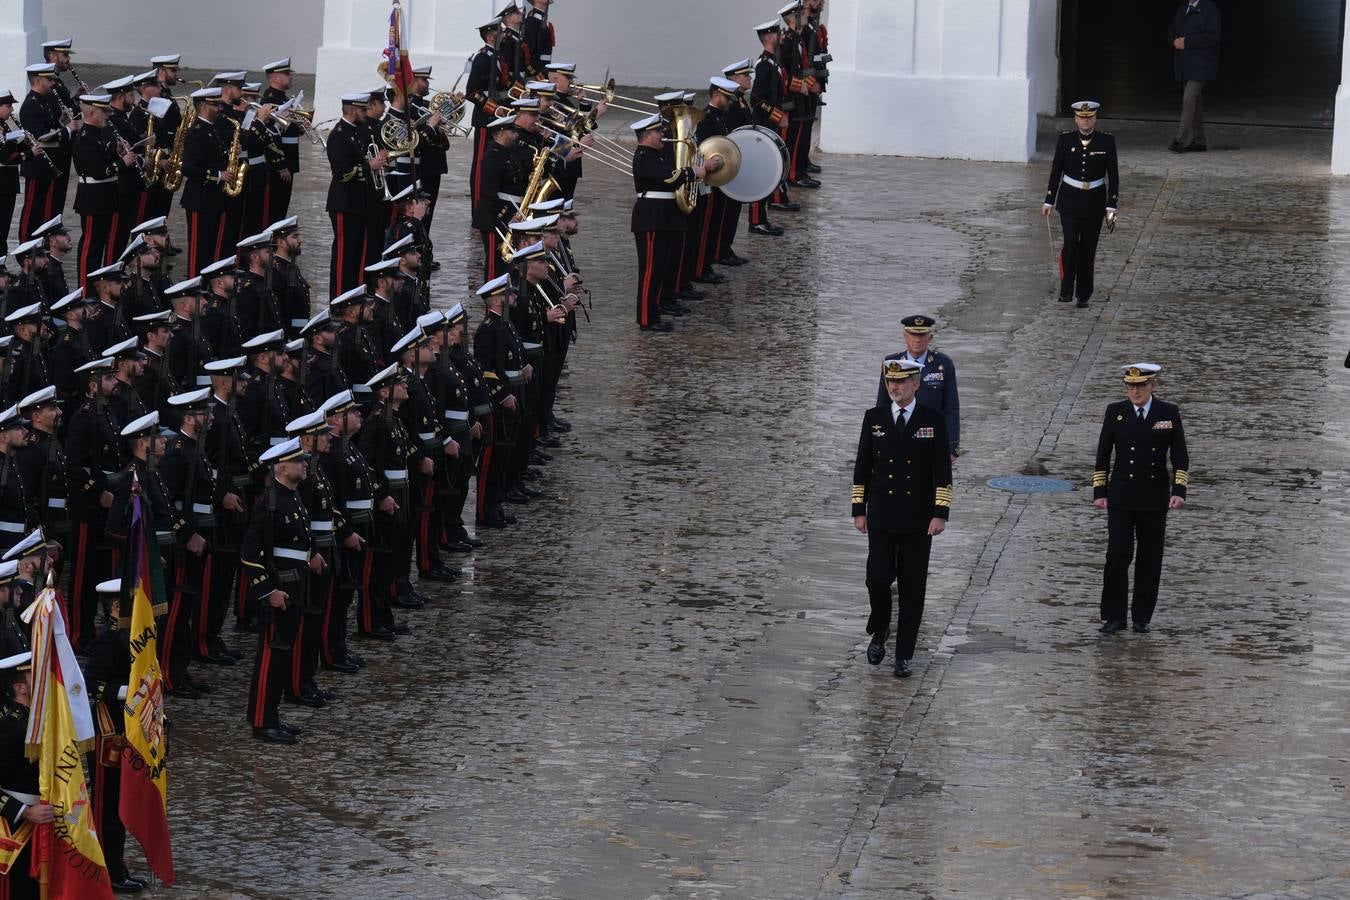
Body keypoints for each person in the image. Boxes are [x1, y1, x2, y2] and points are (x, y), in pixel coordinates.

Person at [851, 359, 952, 678]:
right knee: (877, 577)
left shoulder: (932, 419)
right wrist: (858, 508)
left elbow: (942, 472)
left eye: (901, 382)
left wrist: (940, 513)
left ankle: (903, 654)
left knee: (912, 587)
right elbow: (862, 465)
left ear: (916, 385)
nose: (894, 387)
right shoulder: (874, 418)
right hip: (881, 513)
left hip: (917, 517)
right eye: (890, 382)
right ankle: (879, 627)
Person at [1092, 363, 1189, 634]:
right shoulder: (1116, 412)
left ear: (1153, 386)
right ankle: (1113, 616)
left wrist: (1178, 490)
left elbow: (1180, 455)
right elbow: (1103, 454)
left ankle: (1142, 616)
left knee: (1150, 557)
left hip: (1154, 497)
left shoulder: (1167, 412)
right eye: (1130, 386)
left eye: (1141, 386)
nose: (1135, 391)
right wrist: (1100, 492)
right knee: (1118, 554)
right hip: (1121, 495)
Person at [240, 437, 315, 744]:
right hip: (280, 588)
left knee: (282, 655)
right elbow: (249, 553)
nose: (305, 465)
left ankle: (272, 715)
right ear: (283, 467)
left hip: (296, 583)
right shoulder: (270, 502)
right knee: (272, 656)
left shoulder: (291, 496)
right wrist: (267, 590)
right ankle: (262, 720)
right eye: (299, 461)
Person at [630, 114, 705, 332]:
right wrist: (693, 172)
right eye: (657, 131)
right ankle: (646, 318)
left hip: (666, 216)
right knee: (650, 271)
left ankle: (656, 310)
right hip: (652, 217)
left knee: (662, 269)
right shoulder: (644, 155)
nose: (662, 134)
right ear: (646, 135)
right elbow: (669, 177)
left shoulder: (658, 154)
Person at [1042, 100, 1118, 308]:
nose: (1086, 121)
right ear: (1076, 119)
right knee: (1071, 243)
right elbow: (1056, 170)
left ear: (1095, 118)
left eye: (1090, 117)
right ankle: (1066, 290)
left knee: (1088, 249)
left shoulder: (1106, 141)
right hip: (1069, 201)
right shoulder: (1065, 140)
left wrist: (1112, 206)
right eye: (1082, 118)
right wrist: (1049, 199)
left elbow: (1113, 175)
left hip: (1094, 202)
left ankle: (1083, 294)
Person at [876, 315, 961, 459]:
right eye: (913, 334)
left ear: (930, 337)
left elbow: (951, 408)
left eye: (922, 335)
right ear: (905, 336)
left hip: (931, 440)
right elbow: (882, 405)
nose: (917, 339)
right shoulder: (891, 363)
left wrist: (951, 447)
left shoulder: (943, 364)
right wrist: (878, 441)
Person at [1168, 0, 1221, 154]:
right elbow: (1171, 31)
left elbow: (1213, 36)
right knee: (1195, 102)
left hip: (1202, 63)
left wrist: (1187, 41)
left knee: (1189, 98)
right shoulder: (1182, 8)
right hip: (1185, 64)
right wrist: (1173, 41)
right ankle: (1200, 141)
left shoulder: (1210, 9)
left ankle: (1180, 140)